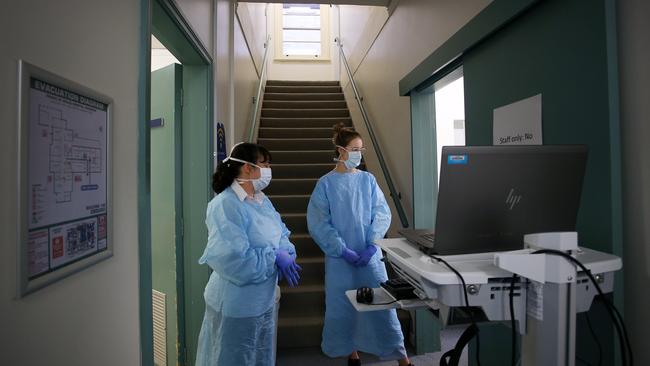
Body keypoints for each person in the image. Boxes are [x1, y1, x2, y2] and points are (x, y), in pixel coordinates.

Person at [307, 124, 413, 366]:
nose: (359, 153)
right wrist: (341, 249)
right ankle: (352, 354)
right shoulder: (325, 184)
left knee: (384, 307)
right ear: (340, 151)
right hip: (339, 262)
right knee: (344, 308)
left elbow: (382, 214)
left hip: (369, 257)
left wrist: (373, 246)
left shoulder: (368, 180)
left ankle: (402, 359)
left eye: (361, 149)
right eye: (355, 149)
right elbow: (319, 223)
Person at [195, 142, 301, 366]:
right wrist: (275, 257)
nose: (268, 170)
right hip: (236, 304)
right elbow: (236, 260)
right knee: (233, 358)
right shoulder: (225, 205)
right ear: (246, 168)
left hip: (264, 300)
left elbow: (281, 233)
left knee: (260, 356)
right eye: (264, 164)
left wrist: (287, 253)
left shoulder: (262, 201)